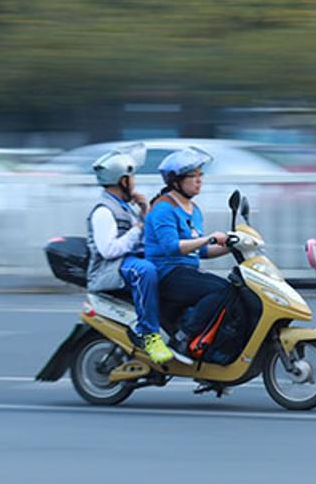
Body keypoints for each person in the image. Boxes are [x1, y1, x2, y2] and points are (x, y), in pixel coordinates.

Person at [86, 143, 189, 365]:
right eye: (131, 178)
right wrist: (138, 228)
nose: (134, 183)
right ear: (123, 180)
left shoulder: (124, 206)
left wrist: (144, 212)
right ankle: (148, 335)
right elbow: (109, 250)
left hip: (127, 261)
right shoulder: (104, 211)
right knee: (146, 270)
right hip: (109, 269)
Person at [144, 148, 232, 360]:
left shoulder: (194, 209)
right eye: (193, 176)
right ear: (176, 181)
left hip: (186, 272)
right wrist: (209, 238)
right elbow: (171, 247)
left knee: (236, 291)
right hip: (167, 273)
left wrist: (232, 245)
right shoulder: (164, 208)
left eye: (200, 175)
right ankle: (184, 337)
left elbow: (201, 251)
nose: (199, 181)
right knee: (222, 290)